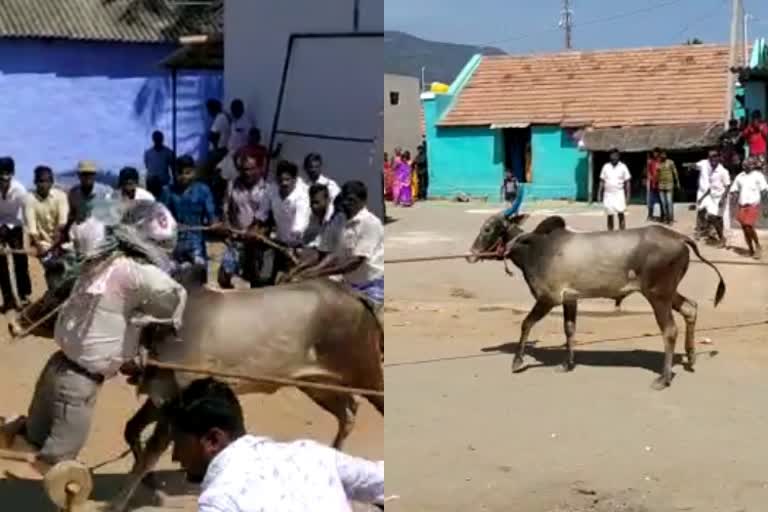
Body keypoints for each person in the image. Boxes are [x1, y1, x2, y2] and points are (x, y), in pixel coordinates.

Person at [0, 201, 187, 480]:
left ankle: (12, 431)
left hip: (56, 366)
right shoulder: (138, 274)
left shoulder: (99, 259)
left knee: (33, 438)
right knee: (57, 465)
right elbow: (176, 298)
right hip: (78, 385)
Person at [168, 378, 385, 512]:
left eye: (179, 443)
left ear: (212, 440)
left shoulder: (220, 500)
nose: (176, 457)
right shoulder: (312, 455)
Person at [289, 180, 384, 311]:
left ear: (363, 201)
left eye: (351, 200)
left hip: (371, 287)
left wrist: (319, 272)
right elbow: (329, 254)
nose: (347, 203)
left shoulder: (370, 223)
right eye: (345, 199)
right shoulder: (343, 221)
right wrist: (303, 270)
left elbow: (355, 262)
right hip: (349, 285)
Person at [160, 155, 220, 279]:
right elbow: (161, 216)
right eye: (180, 173)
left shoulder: (203, 190)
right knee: (174, 279)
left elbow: (211, 214)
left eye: (187, 173)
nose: (183, 177)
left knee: (199, 275)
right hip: (175, 243)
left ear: (194, 172)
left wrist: (214, 224)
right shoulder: (167, 191)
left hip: (196, 242)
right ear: (174, 173)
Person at [218, 152, 269, 289]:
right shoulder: (232, 185)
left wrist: (259, 232)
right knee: (223, 276)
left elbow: (268, 217)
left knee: (256, 280)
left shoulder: (266, 189)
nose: (246, 172)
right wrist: (227, 227)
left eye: (250, 169)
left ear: (258, 168)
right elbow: (225, 208)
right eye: (243, 169)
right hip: (236, 238)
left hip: (257, 241)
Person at [256, 161, 310, 283]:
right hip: (278, 242)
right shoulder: (271, 189)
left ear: (295, 179)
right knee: (265, 277)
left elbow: (300, 225)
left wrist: (292, 246)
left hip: (298, 245)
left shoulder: (302, 196)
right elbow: (261, 213)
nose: (284, 183)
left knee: (291, 280)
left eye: (288, 180)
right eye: (281, 180)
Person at [23, 166, 70, 288]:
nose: (44, 184)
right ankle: (54, 294)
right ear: (35, 182)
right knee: (52, 273)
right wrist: (41, 248)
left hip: (61, 240)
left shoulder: (61, 196)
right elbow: (33, 230)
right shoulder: (29, 199)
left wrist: (55, 246)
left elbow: (62, 224)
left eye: (47, 181)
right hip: (43, 243)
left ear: (52, 182)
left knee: (67, 272)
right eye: (40, 181)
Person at [0, 157, 31, 311]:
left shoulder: (20, 190)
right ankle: (8, 299)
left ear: (11, 174)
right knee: (1, 262)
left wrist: (10, 226)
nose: (3, 180)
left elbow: (26, 213)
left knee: (20, 260)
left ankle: (24, 295)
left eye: (6, 175)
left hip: (16, 225)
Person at [729, 156, 768, 259]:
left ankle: (758, 246)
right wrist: (733, 199)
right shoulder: (740, 176)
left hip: (753, 205)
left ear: (753, 165)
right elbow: (734, 190)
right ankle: (750, 249)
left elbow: (764, 191)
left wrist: (765, 207)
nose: (745, 164)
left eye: (748, 163)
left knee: (748, 226)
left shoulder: (758, 176)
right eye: (744, 163)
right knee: (744, 229)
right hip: (742, 206)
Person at [695, 150, 731, 246]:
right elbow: (710, 188)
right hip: (712, 198)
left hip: (720, 198)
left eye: (715, 156)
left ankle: (722, 238)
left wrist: (723, 199)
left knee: (718, 218)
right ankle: (719, 236)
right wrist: (702, 198)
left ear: (719, 157)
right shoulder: (710, 171)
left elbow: (728, 186)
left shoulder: (723, 171)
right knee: (711, 217)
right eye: (710, 157)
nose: (712, 159)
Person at [65, 160, 113, 229]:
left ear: (94, 175)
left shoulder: (106, 192)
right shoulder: (73, 193)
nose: (87, 177)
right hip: (80, 230)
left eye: (90, 174)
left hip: (100, 231)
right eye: (84, 174)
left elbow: (111, 215)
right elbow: (72, 214)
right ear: (79, 175)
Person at [598, 149, 631, 231]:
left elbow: (627, 182)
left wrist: (628, 196)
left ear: (618, 156)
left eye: (616, 155)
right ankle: (610, 233)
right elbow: (602, 181)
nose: (614, 157)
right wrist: (599, 193)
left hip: (619, 193)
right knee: (610, 214)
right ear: (610, 156)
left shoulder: (623, 167)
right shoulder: (606, 166)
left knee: (621, 213)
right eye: (612, 155)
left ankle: (622, 232)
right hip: (608, 194)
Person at [302, 183, 336, 248]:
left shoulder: (334, 217)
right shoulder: (313, 215)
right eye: (311, 202)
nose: (313, 206)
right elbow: (307, 236)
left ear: (327, 200)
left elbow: (322, 242)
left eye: (317, 202)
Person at [143, 130, 175, 198]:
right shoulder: (148, 153)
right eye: (156, 138)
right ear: (153, 139)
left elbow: (173, 168)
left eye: (159, 138)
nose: (157, 140)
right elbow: (147, 166)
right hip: (151, 184)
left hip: (163, 184)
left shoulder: (168, 152)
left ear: (162, 139)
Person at [656, 150, 680, 225]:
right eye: (662, 154)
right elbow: (657, 175)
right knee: (663, 203)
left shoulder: (670, 162)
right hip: (661, 185)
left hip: (669, 185)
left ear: (666, 155)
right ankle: (666, 218)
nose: (663, 155)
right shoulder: (658, 164)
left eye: (664, 154)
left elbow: (675, 172)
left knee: (669, 202)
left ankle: (670, 219)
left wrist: (677, 182)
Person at [645, 148, 661, 221]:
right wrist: (650, 176)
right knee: (651, 201)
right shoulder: (650, 162)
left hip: (660, 184)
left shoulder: (660, 161)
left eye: (656, 152)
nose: (655, 154)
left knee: (661, 201)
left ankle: (662, 215)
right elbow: (648, 171)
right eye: (654, 152)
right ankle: (650, 215)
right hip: (652, 184)